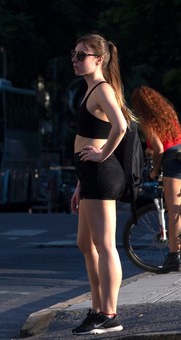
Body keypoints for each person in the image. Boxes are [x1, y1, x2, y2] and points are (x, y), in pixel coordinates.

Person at [70, 33, 136, 335]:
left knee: (105, 245)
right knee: (86, 244)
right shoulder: (89, 90)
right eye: (74, 54)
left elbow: (120, 126)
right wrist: (80, 185)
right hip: (90, 177)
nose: (75, 59)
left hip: (102, 172)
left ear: (99, 60)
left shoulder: (102, 89)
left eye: (82, 55)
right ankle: (97, 309)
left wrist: (101, 155)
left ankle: (109, 314)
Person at [131, 86, 181, 273]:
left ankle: (174, 257)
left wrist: (154, 170)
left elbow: (160, 148)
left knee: (173, 210)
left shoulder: (147, 121)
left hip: (173, 161)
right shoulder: (169, 115)